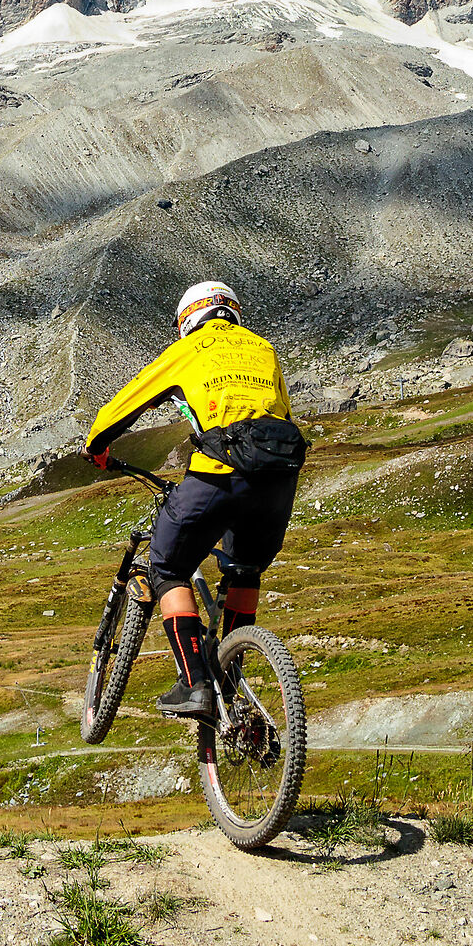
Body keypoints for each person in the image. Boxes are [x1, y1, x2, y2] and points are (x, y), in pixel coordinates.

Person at [84, 281, 305, 722]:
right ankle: (230, 675)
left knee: (167, 566)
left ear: (188, 320)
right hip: (279, 485)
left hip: (219, 477)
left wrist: (96, 444)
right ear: (233, 313)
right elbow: (282, 415)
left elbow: (132, 400)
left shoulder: (189, 349)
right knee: (244, 568)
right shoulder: (263, 348)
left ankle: (194, 683)